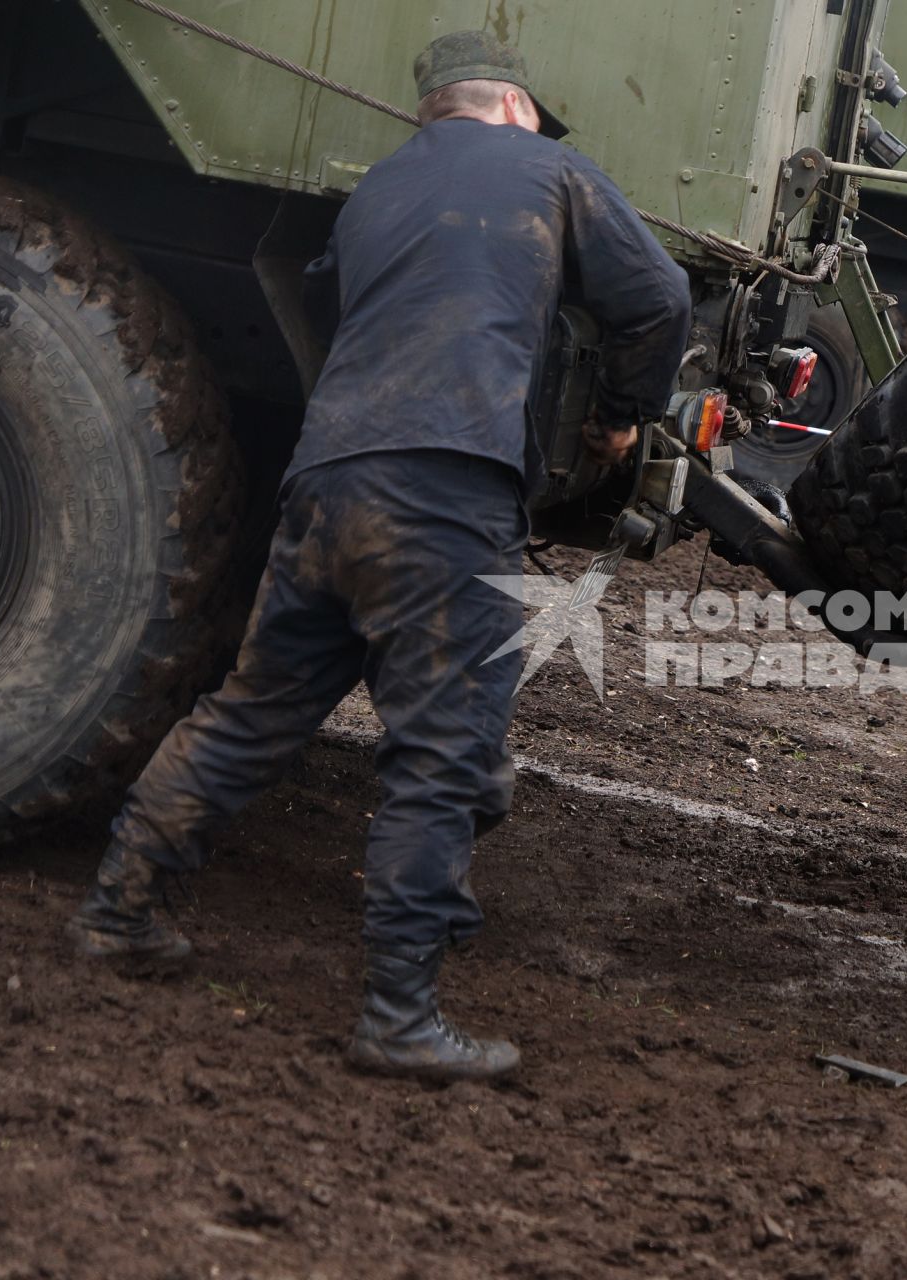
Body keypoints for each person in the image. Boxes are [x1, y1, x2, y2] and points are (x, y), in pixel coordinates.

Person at [66, 31, 693, 1082]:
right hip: (443, 492)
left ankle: (117, 907)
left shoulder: (373, 194)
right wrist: (623, 418)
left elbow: (326, 304)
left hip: (326, 485)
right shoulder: (548, 169)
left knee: (253, 709)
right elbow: (660, 299)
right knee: (446, 747)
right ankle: (399, 1012)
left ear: (431, 114)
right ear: (515, 108)